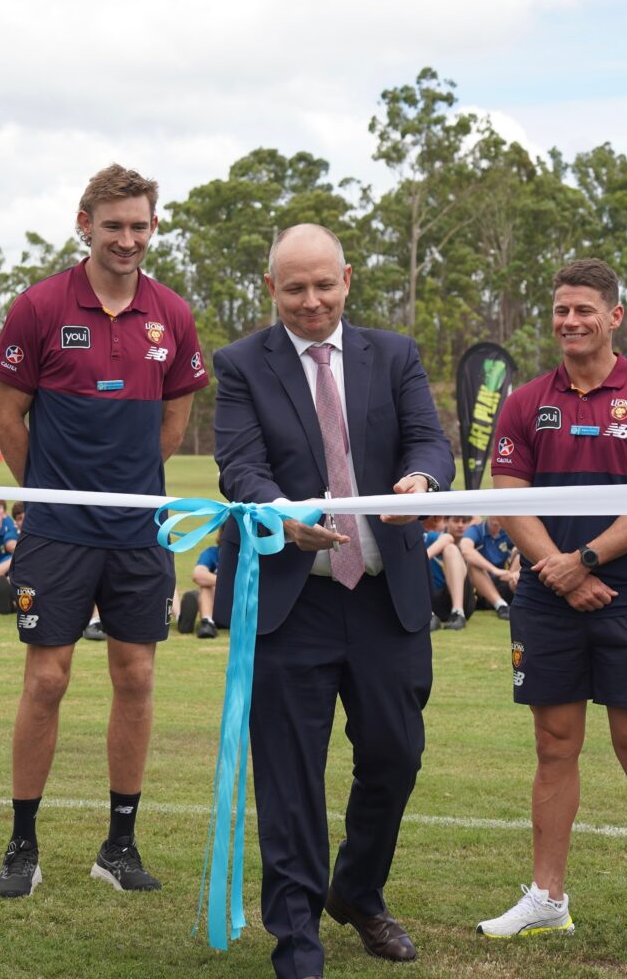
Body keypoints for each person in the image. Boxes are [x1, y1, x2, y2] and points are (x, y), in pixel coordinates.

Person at [210, 222, 450, 979]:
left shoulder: (396, 354)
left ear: (347, 279)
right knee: (289, 781)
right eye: (293, 288)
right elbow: (239, 468)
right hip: (292, 602)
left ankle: (356, 890)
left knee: (396, 756)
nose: (310, 302)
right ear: (271, 288)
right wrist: (282, 512)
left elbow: (428, 441)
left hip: (386, 599)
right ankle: (298, 945)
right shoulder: (241, 365)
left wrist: (421, 481)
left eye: (323, 285)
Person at [0, 164, 209, 899]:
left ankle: (119, 844)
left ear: (153, 227)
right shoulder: (40, 307)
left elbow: (174, 421)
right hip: (56, 530)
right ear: (84, 222)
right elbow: (4, 420)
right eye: (113, 225)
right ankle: (22, 844)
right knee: (47, 678)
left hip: (139, 530)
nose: (127, 238)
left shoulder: (170, 314)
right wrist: (51, 496)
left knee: (136, 676)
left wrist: (125, 494)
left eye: (139, 225)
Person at [476, 257, 627, 968]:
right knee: (553, 746)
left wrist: (588, 562)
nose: (570, 322)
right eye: (561, 310)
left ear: (615, 317)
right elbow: (511, 498)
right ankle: (547, 898)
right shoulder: (524, 400)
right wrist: (561, 574)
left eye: (584, 311)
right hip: (548, 595)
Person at [460, 516, 519, 620]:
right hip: (482, 586)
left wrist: (514, 571)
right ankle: (501, 605)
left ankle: (519, 599)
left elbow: (520, 547)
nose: (497, 515)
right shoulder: (476, 530)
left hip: (504, 581)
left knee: (520, 557)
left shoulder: (508, 531)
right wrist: (494, 570)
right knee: (472, 565)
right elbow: (465, 550)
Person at [421, 516, 469, 631]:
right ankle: (429, 615)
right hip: (424, 600)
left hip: (448, 597)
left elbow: (447, 538)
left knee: (451, 549)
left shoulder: (426, 536)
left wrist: (422, 558)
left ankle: (458, 612)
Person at [175, 542, 220, 638]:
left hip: (244, 607)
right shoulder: (213, 552)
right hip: (219, 607)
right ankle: (207, 623)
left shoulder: (251, 554)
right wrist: (230, 582)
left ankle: (180, 618)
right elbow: (198, 575)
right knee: (207, 586)